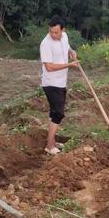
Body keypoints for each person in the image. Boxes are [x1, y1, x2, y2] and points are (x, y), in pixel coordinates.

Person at [40, 16, 78, 155]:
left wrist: (72, 52)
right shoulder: (46, 44)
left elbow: (67, 47)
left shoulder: (65, 37)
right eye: (51, 31)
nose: (53, 34)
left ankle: (52, 142)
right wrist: (70, 64)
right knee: (59, 114)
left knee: (54, 112)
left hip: (61, 82)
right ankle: (49, 145)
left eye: (56, 32)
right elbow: (49, 67)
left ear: (63, 30)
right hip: (51, 83)